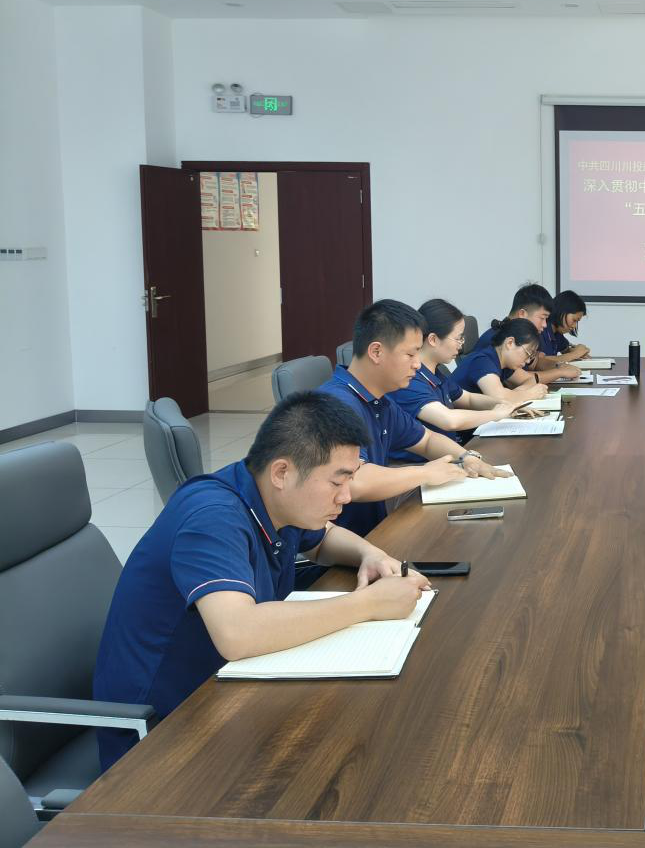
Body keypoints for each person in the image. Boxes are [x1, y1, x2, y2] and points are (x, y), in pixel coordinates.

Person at [92, 392, 432, 771]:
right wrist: (368, 604)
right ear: (282, 472)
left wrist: (372, 555)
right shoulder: (213, 516)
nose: (347, 496)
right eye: (337, 482)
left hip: (228, 691)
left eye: (350, 479)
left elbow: (323, 540)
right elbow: (237, 633)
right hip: (161, 735)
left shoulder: (272, 497)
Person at [316, 299, 510, 538]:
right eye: (410, 354)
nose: (418, 364)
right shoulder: (336, 403)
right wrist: (425, 473)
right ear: (376, 352)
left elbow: (426, 440)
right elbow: (355, 481)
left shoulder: (380, 400)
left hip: (374, 530)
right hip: (340, 542)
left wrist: (466, 457)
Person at [386, 298, 543, 456]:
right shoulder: (410, 379)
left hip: (446, 455)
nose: (461, 345)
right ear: (433, 339)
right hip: (418, 464)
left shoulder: (436, 374)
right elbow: (449, 420)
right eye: (458, 338)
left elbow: (468, 398)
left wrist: (507, 406)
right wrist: (496, 414)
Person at [472, 283, 581, 385]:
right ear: (522, 314)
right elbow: (520, 380)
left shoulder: (518, 335)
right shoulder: (499, 340)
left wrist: (559, 366)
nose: (544, 325)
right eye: (542, 318)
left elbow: (536, 362)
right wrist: (560, 372)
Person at [451, 317, 552, 402]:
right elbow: (499, 398)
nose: (528, 361)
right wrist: (528, 394)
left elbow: (531, 379)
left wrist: (517, 394)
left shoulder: (504, 363)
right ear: (510, 343)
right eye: (528, 353)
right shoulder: (482, 361)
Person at [541, 290, 591, 363]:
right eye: (574, 320)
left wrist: (578, 351)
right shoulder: (541, 330)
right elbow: (539, 362)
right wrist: (575, 354)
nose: (574, 326)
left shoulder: (557, 334)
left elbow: (566, 350)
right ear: (562, 311)